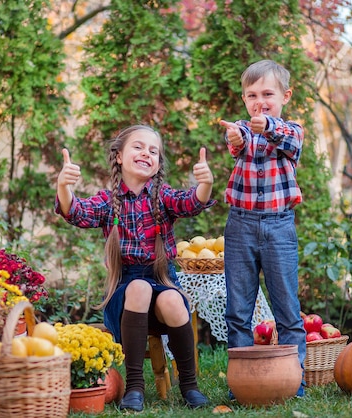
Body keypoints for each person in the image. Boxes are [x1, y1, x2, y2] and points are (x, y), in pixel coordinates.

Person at [55, 124, 215, 411]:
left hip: (162, 282)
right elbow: (76, 212)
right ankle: (135, 387)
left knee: (171, 298)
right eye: (138, 147)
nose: (146, 153)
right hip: (126, 298)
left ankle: (190, 386)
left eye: (153, 151)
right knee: (139, 287)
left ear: (158, 163)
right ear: (119, 156)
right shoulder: (108, 202)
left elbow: (191, 203)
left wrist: (205, 184)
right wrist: (63, 186)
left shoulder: (163, 197)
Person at [219, 59, 306, 397]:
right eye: (252, 95)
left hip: (279, 226)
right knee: (238, 310)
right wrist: (236, 135)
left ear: (285, 96)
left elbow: (288, 141)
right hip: (239, 225)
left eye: (268, 93)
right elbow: (237, 145)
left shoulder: (291, 130)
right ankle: (240, 380)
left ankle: (293, 379)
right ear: (244, 99)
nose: (260, 100)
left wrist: (266, 123)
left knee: (287, 307)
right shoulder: (242, 128)